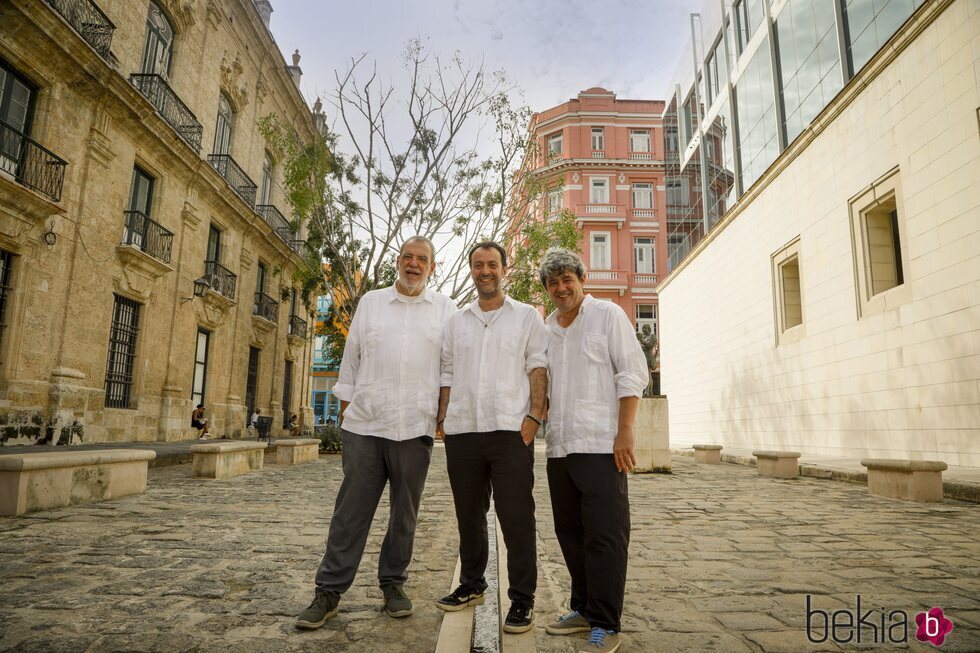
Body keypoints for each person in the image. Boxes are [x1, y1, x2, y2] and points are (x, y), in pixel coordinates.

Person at [296, 236, 455, 629]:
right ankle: (329, 591)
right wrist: (349, 411)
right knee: (350, 513)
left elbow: (450, 368)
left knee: (405, 514)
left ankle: (393, 584)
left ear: (432, 268)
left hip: (415, 427)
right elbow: (351, 360)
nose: (413, 264)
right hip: (366, 425)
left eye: (422, 259)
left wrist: (441, 416)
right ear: (397, 263)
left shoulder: (446, 310)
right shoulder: (370, 303)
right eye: (407, 257)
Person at [538, 248, 647, 653]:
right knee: (570, 534)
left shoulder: (608, 315)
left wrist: (625, 433)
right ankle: (582, 608)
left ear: (581, 279)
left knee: (605, 536)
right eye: (553, 282)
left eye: (568, 279)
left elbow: (632, 372)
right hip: (560, 449)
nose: (561, 287)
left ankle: (605, 622)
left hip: (602, 446)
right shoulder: (546, 328)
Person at [435, 241, 547, 633]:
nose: (486, 271)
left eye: (492, 264)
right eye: (479, 265)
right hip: (463, 430)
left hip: (510, 431)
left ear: (504, 268)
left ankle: (522, 600)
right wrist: (443, 417)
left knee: (516, 517)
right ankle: (471, 584)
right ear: (471, 270)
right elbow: (446, 373)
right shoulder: (455, 321)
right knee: (469, 515)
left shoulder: (527, 317)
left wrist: (535, 414)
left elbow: (537, 367)